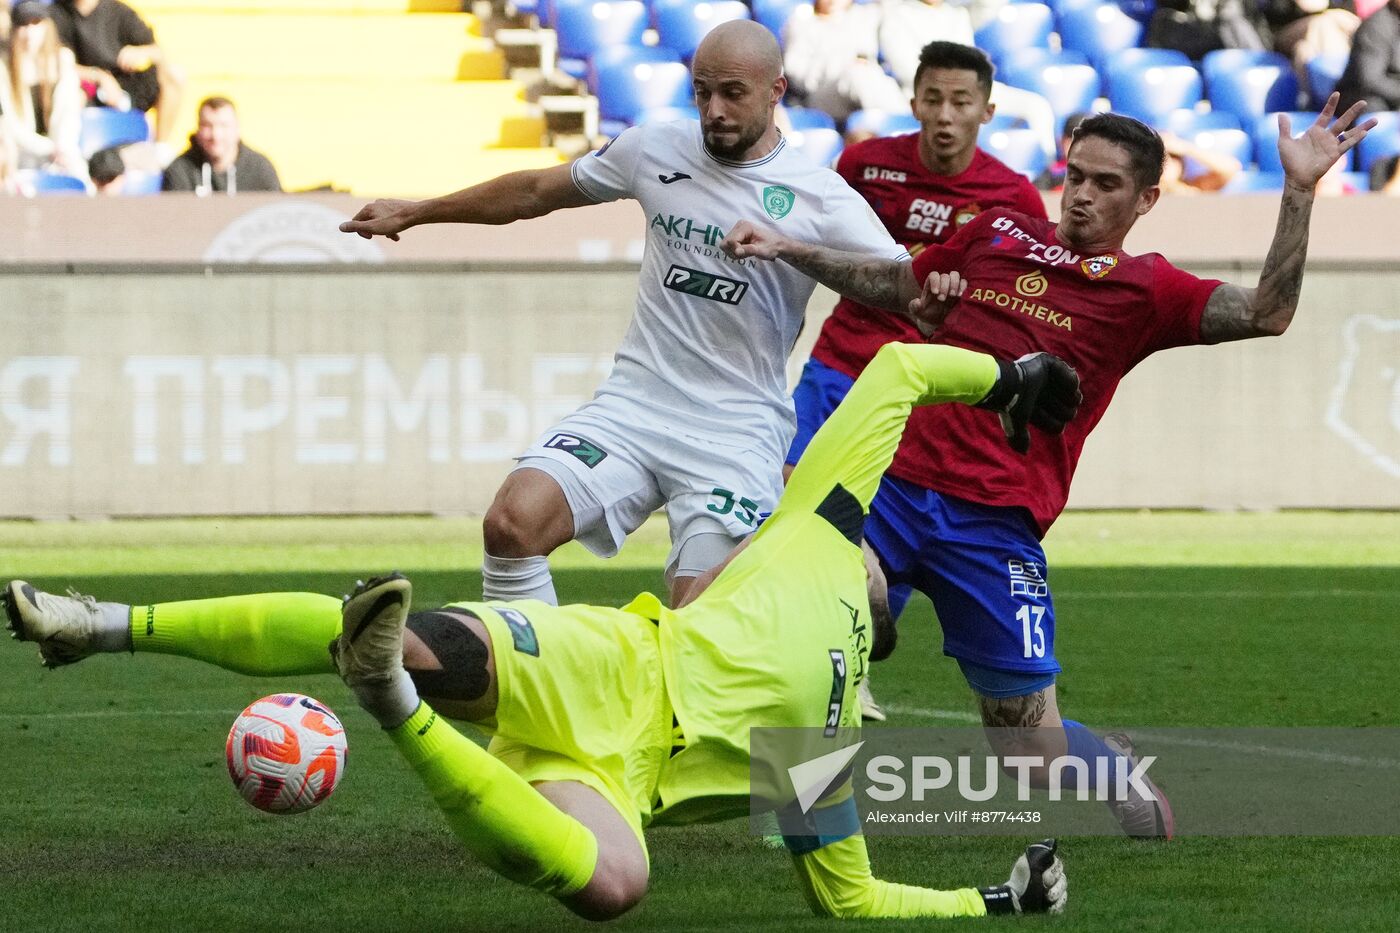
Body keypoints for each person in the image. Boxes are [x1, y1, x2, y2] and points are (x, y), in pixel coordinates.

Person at [6, 342, 1077, 920]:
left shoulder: (826, 727)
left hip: (611, 776)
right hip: (608, 667)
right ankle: (96, 624)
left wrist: (989, 904)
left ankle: (388, 704)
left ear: (881, 627)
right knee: (427, 640)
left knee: (616, 885)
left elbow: (849, 901)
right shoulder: (817, 539)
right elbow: (897, 373)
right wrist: (1008, 376)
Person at [720, 98, 1377, 838]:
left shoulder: (1148, 290)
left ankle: (1108, 765)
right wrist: (788, 248)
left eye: (1106, 185)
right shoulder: (995, 233)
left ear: (1147, 199)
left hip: (995, 524)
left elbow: (1267, 312)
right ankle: (798, 800)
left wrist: (1297, 192)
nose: (1084, 197)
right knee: (826, 599)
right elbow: (897, 287)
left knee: (1029, 750)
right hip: (894, 485)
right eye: (1076, 177)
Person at [339, 21, 914, 610]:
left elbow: (903, 288)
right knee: (513, 523)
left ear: (775, 91)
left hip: (735, 430)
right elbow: (535, 191)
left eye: (732, 94)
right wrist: (420, 210)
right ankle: (536, 680)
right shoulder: (655, 149)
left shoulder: (819, 194)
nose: (713, 110)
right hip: (635, 406)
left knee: (700, 607)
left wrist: (792, 249)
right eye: (701, 91)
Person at [790, 40, 1048, 720]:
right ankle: (800, 666)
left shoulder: (1013, 197)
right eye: (932, 98)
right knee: (792, 514)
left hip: (921, 390)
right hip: (841, 366)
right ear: (913, 102)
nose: (945, 115)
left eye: (961, 101)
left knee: (879, 525)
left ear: (987, 111)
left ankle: (853, 661)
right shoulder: (866, 164)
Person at [875, 11, 1058, 159]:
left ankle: (1048, 170)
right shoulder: (895, 15)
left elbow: (987, 6)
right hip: (930, 94)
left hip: (970, 89)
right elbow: (908, 71)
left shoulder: (958, 13)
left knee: (1036, 105)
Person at [48, 0, 185, 148]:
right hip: (88, 87)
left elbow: (158, 52)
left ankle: (160, 149)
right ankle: (65, 152)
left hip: (127, 85)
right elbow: (52, 64)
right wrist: (100, 77)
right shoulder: (55, 14)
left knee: (174, 75)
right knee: (69, 92)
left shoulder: (119, 11)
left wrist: (141, 52)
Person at [782, 0, 908, 125]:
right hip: (823, 95)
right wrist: (841, 65)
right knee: (859, 75)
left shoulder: (866, 14)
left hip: (867, 88)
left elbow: (895, 6)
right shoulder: (803, 21)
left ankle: (905, 122)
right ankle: (907, 123)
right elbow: (797, 75)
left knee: (868, 75)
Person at [0, 0, 86, 178]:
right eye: (23, 25)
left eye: (36, 23)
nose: (29, 32)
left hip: (62, 154)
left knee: (79, 177)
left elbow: (69, 115)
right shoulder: (4, 69)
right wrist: (48, 148)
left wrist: (61, 149)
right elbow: (9, 123)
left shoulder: (63, 61)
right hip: (22, 155)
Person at [162, 96, 281, 194]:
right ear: (198, 130)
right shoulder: (180, 170)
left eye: (224, 126)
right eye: (207, 126)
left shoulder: (260, 170)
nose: (216, 135)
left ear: (237, 129)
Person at [1333, 0, 1400, 112]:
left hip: (1392, 93)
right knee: (1373, 106)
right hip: (1364, 96)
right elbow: (1370, 80)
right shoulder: (1376, 27)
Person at [1157, 131, 1243, 193]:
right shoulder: (1145, 196)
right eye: (1159, 158)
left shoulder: (1193, 188)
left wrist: (1187, 148)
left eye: (1172, 156)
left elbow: (1232, 168)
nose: (1166, 164)